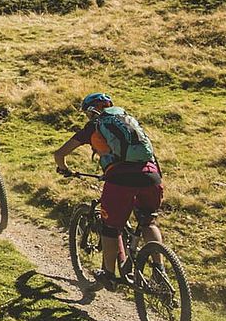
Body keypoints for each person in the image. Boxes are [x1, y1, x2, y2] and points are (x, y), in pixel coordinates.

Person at [54, 93, 164, 289]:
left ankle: (109, 274)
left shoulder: (94, 126)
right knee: (148, 221)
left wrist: (64, 168)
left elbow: (60, 153)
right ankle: (159, 271)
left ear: (90, 110)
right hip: (151, 175)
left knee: (110, 228)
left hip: (120, 178)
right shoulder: (128, 120)